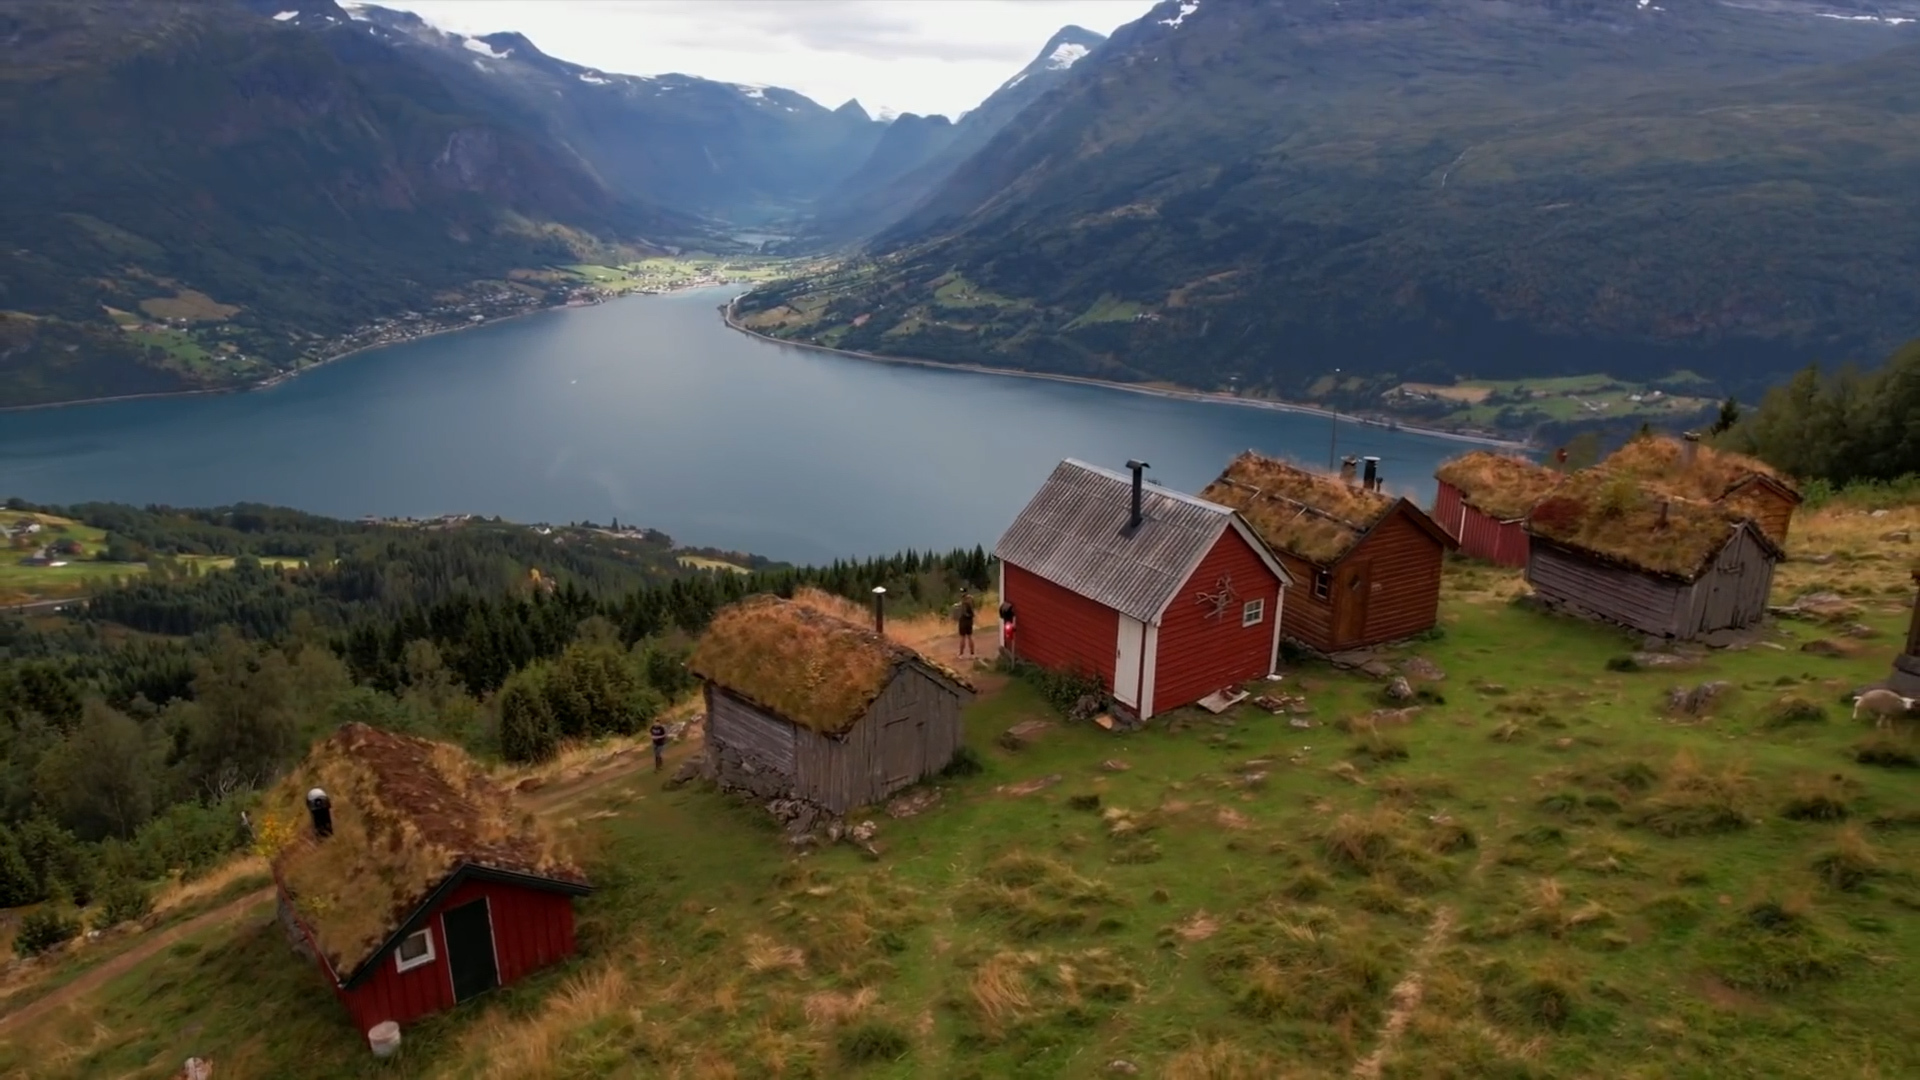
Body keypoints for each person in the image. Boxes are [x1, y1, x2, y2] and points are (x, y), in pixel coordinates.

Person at [955, 590, 976, 658]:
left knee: (962, 637)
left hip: (963, 620)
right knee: (970, 636)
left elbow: (962, 611)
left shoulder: (963, 602)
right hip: (970, 620)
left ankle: (961, 654)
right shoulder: (971, 599)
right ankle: (972, 653)